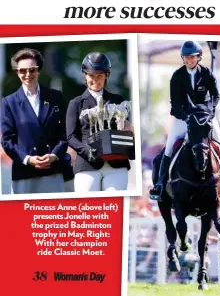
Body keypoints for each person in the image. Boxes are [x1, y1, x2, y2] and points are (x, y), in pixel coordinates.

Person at [149, 40, 220, 203]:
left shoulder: (206, 73)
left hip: (205, 118)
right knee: (170, 147)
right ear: (183, 58)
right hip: (183, 119)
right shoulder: (177, 76)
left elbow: (216, 96)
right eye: (186, 57)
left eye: (192, 57)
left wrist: (209, 111)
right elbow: (175, 103)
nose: (189, 60)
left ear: (198, 57)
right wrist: (187, 116)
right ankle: (160, 184)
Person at [0, 48, 67, 194]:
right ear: (17, 72)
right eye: (22, 71)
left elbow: (65, 134)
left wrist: (54, 155)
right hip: (24, 172)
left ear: (39, 70)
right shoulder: (8, 102)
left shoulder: (55, 97)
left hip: (52, 170)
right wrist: (28, 159)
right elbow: (7, 141)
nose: (28, 74)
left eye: (32, 69)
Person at [66, 52, 130, 192]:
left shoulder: (117, 100)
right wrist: (88, 151)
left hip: (116, 164)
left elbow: (126, 128)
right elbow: (70, 137)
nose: (95, 80)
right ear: (85, 75)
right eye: (91, 75)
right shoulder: (76, 103)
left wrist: (128, 128)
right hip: (87, 165)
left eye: (99, 75)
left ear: (106, 75)